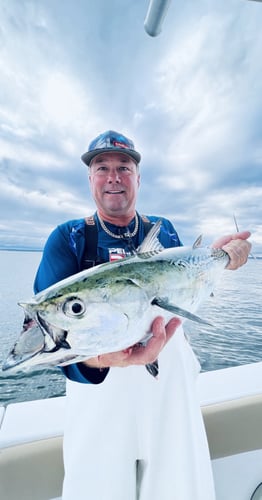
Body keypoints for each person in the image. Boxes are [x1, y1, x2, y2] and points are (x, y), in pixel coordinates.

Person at [34, 130, 251, 500]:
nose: (114, 177)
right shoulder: (68, 237)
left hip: (167, 378)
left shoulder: (163, 230)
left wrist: (225, 258)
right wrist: (105, 360)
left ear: (138, 177)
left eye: (124, 167)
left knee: (177, 483)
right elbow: (48, 336)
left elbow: (189, 286)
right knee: (97, 488)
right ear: (90, 178)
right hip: (99, 385)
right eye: (102, 167)